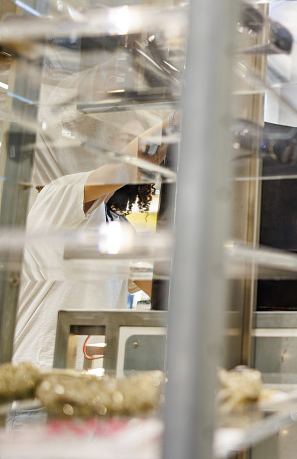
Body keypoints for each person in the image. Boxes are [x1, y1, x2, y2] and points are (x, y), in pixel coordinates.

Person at [13, 112, 176, 370]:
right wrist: (173, 120)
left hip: (88, 382)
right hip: (37, 382)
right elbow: (129, 165)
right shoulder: (58, 197)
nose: (134, 148)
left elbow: (161, 286)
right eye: (125, 139)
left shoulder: (118, 227)